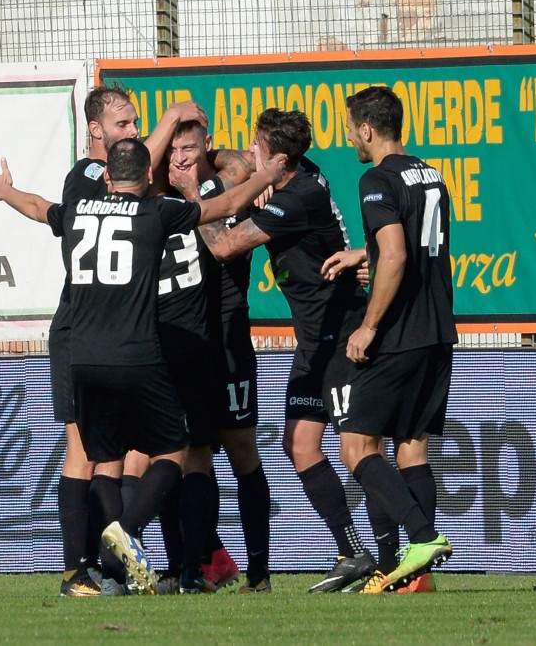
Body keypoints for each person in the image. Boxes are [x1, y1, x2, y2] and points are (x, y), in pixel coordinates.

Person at [0, 137, 285, 595]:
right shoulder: (154, 213)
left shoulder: (79, 210)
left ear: (106, 176)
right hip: (136, 353)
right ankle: (128, 530)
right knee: (175, 451)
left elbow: (38, 206)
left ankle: (95, 572)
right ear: (148, 178)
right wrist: (265, 177)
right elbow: (220, 204)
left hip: (81, 356)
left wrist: (5, 192)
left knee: (104, 459)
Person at [170, 108, 380, 594]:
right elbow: (240, 163)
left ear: (278, 159)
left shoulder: (298, 195)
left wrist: (187, 193)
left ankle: (393, 552)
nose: (249, 156)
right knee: (300, 445)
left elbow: (223, 247)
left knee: (359, 450)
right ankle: (353, 553)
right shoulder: (296, 175)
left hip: (342, 331)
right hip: (315, 339)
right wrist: (241, 169)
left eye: (258, 150)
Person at [48, 86, 208, 597]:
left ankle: (112, 569)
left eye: (138, 123)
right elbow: (144, 171)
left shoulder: (118, 185)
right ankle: (80, 569)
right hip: (83, 331)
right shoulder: (89, 177)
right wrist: (175, 115)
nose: (135, 132)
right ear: (96, 131)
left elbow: (40, 209)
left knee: (114, 457)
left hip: (112, 338)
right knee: (87, 454)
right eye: (124, 124)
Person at [321, 85, 455, 593]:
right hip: (438, 327)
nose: (349, 136)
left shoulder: (375, 178)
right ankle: (414, 578)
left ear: (367, 129)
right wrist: (365, 255)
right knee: (412, 448)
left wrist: (369, 325)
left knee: (356, 444)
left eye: (350, 127)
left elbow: (397, 255)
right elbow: (412, 247)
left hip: (399, 331)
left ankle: (420, 538)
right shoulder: (431, 174)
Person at [166, 120, 272, 595]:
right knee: (189, 454)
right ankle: (201, 563)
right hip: (187, 343)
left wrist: (197, 191)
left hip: (228, 337)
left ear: (207, 146)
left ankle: (259, 573)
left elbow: (224, 248)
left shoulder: (226, 187)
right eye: (176, 150)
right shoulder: (166, 191)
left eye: (191, 148)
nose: (182, 158)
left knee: (241, 452)